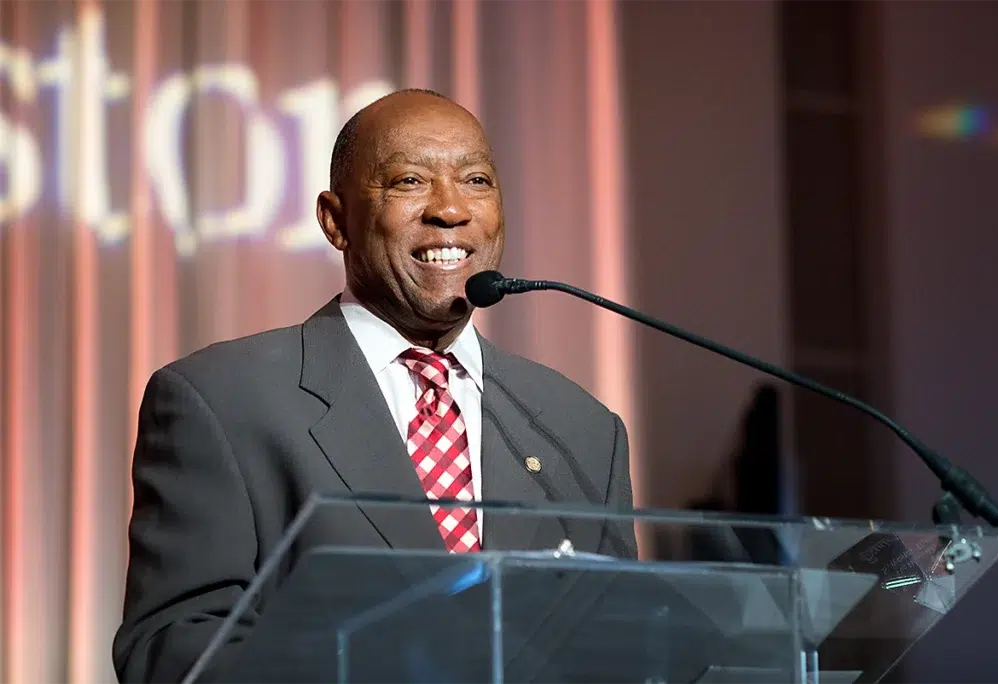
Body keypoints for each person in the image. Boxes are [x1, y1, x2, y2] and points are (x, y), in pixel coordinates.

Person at [112, 88, 636, 684]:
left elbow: (628, 644)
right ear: (336, 221)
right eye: (410, 182)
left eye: (477, 181)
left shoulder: (582, 430)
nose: (450, 209)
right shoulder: (221, 402)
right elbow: (174, 652)